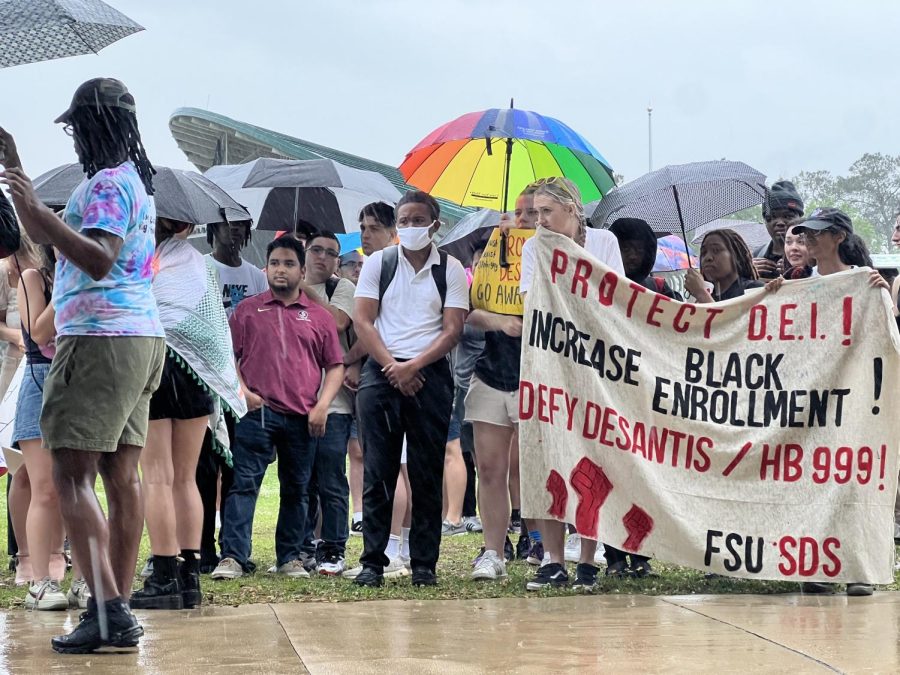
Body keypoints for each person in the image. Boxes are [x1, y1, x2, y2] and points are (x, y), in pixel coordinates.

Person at [0, 78, 166, 654]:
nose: (74, 140)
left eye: (76, 127)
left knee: (72, 476)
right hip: (142, 338)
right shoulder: (137, 184)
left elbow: (97, 258)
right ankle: (112, 609)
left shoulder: (104, 185)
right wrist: (20, 178)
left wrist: (30, 206)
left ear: (91, 125)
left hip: (98, 339)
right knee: (122, 478)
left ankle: (108, 612)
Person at [351, 191, 468, 587]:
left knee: (426, 471)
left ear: (435, 225)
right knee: (378, 470)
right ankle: (372, 562)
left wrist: (414, 367)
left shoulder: (449, 269)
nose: (411, 227)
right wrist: (392, 367)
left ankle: (424, 564)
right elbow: (363, 321)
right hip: (382, 371)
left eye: (419, 220)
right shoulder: (378, 264)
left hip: (429, 375)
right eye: (404, 221)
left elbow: (453, 329)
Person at [211, 236, 344, 580]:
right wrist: (242, 391)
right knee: (243, 485)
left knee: (298, 490)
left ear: (302, 271)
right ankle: (233, 557)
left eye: (288, 264)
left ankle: (290, 558)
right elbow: (230, 357)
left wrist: (323, 406)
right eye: (274, 263)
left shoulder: (319, 317)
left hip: (303, 417)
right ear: (265, 268)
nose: (280, 270)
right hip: (257, 413)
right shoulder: (247, 310)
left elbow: (335, 366)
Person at [130, 218, 247, 610]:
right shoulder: (202, 266)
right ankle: (190, 576)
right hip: (198, 375)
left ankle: (163, 576)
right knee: (186, 478)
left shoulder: (143, 260)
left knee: (157, 477)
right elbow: (214, 329)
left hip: (157, 366)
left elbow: (136, 309)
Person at [519, 176, 625, 592]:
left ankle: (588, 557)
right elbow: (533, 301)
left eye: (546, 211)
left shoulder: (604, 243)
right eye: (535, 212)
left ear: (572, 210)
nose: (539, 220)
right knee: (550, 456)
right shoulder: (534, 248)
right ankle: (552, 557)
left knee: (593, 457)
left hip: (596, 367)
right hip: (550, 365)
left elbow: (616, 297)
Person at [774, 207, 885, 597]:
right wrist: (773, 296)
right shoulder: (796, 284)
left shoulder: (864, 283)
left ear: (838, 237)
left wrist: (882, 295)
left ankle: (860, 569)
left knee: (854, 479)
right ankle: (818, 563)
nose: (809, 240)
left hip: (855, 396)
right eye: (806, 234)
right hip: (812, 398)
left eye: (817, 234)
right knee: (814, 480)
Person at [465, 187, 540, 581]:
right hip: (492, 374)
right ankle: (493, 550)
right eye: (519, 212)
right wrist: (501, 322)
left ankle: (543, 543)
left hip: (539, 378)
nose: (525, 220)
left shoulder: (555, 258)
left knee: (537, 467)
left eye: (534, 213)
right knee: (490, 467)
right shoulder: (497, 254)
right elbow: (470, 313)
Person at [197, 218, 266, 572]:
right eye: (227, 224)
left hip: (243, 384)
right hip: (208, 377)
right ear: (213, 228)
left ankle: (233, 547)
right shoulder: (203, 268)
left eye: (241, 224)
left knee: (236, 467)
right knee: (204, 469)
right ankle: (201, 545)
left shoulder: (256, 276)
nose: (235, 231)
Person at [298, 230, 356, 576]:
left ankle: (333, 548)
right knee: (301, 481)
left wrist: (304, 289)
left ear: (338, 260)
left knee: (332, 478)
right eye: (315, 250)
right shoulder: (283, 287)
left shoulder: (341, 289)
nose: (321, 257)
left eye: (330, 253)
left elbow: (338, 322)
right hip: (295, 401)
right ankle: (301, 547)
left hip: (335, 403)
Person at [609, 217, 682, 300]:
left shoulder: (659, 289)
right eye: (626, 249)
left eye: (639, 250)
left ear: (647, 253)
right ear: (613, 248)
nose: (632, 256)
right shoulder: (597, 285)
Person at [684, 229, 764, 303]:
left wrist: (701, 294)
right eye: (704, 252)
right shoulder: (707, 295)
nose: (708, 257)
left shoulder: (755, 289)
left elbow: (733, 319)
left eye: (716, 250)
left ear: (736, 256)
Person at [752, 180, 804, 279]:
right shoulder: (756, 256)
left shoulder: (814, 254)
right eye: (771, 217)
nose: (779, 222)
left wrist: (800, 272)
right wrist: (749, 272)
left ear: (800, 219)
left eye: (787, 216)